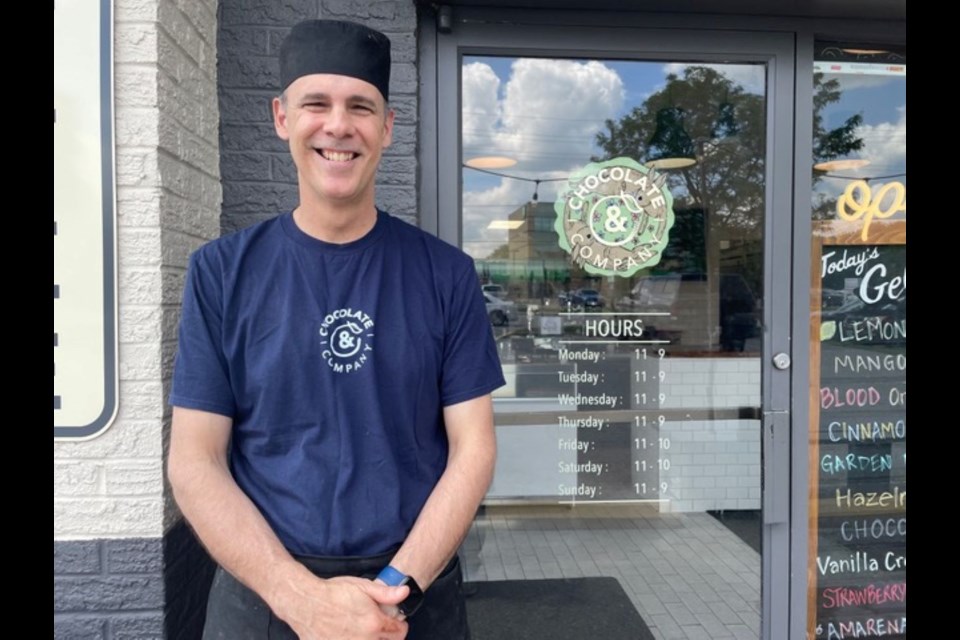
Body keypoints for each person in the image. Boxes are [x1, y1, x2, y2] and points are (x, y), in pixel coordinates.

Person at [167, 19, 505, 640]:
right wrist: (299, 597)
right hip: (262, 598)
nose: (338, 126)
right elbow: (195, 460)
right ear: (280, 117)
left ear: (387, 127)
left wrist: (391, 590)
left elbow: (474, 448)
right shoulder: (221, 273)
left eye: (360, 106)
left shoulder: (446, 274)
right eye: (315, 103)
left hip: (413, 594)